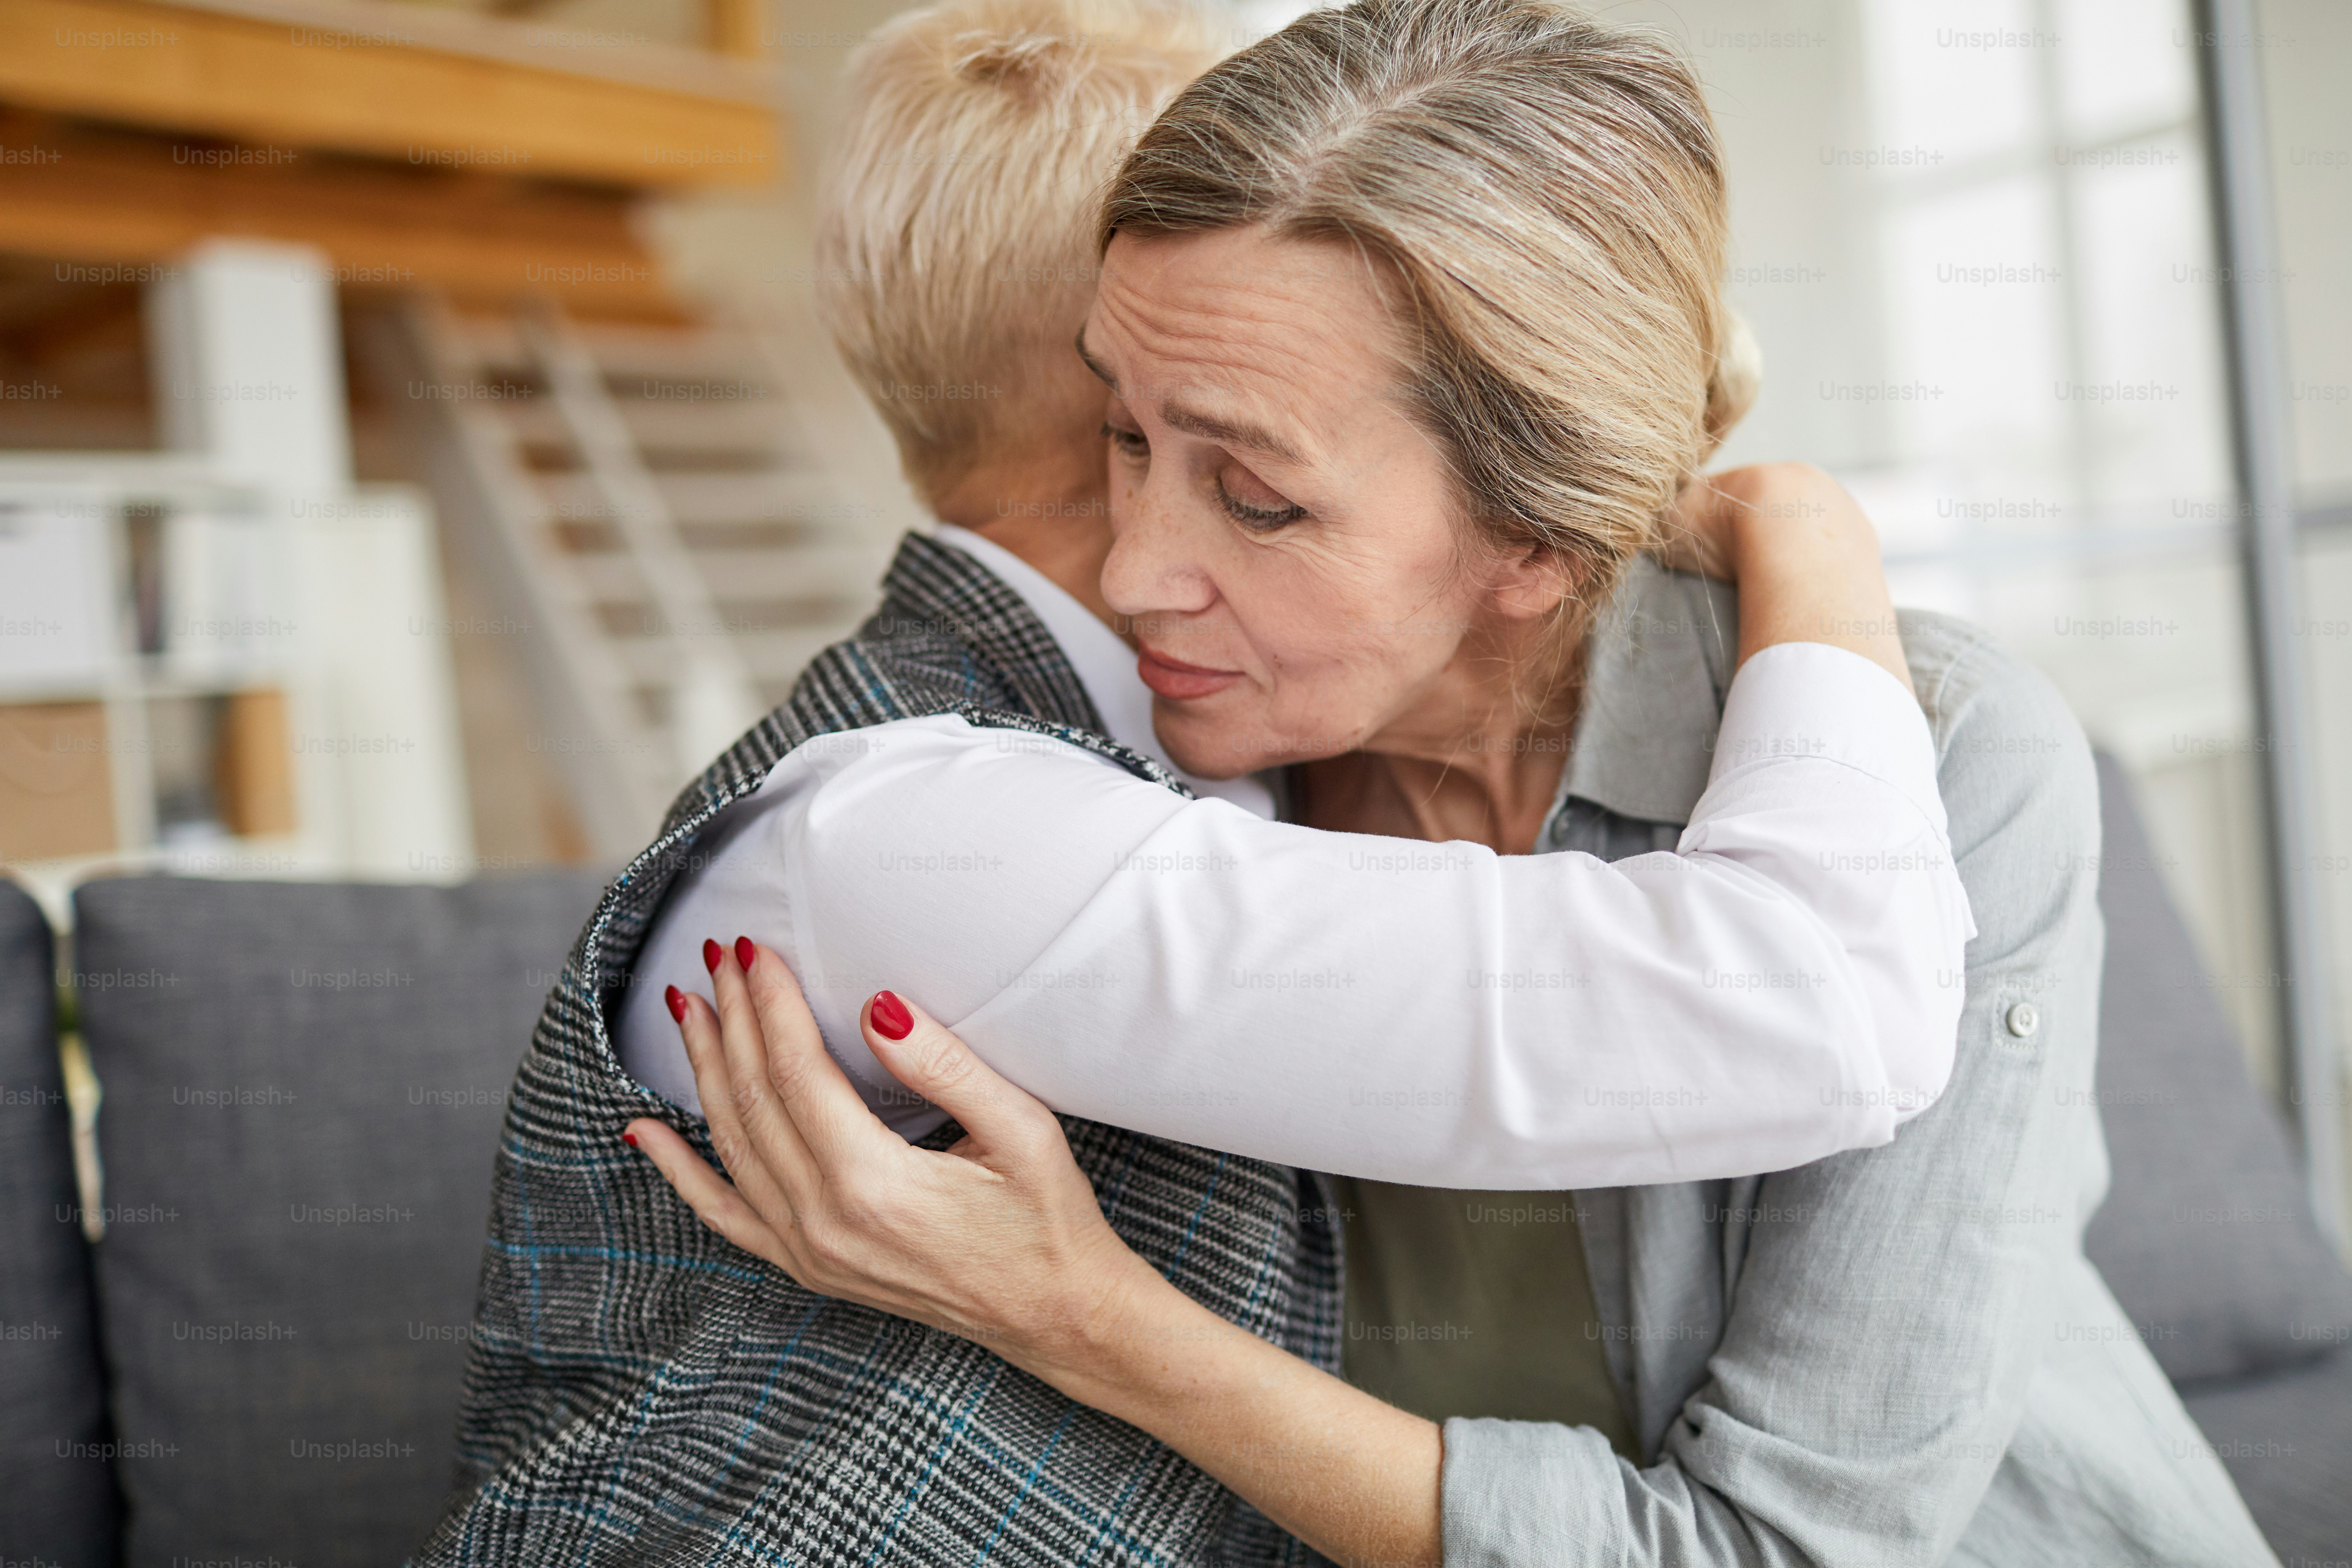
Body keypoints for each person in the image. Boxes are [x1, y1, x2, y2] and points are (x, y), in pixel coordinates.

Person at [622, 1, 2280, 1565]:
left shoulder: (1939, 760)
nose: (1130, 577)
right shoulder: (1153, 795)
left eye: (1255, 500)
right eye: (1124, 439)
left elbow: (1776, 1546)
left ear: (1537, 540)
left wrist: (1094, 1319)